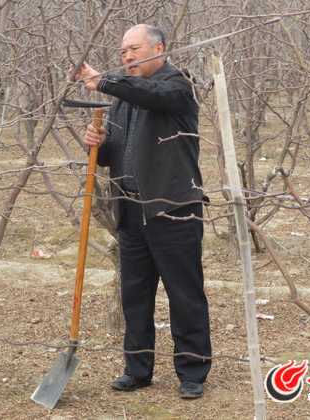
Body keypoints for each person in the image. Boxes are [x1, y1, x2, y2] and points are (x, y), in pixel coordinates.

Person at [74, 24, 212, 399]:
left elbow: (153, 96)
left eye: (134, 49)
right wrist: (97, 144)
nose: (127, 56)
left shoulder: (178, 85)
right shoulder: (123, 98)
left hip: (173, 208)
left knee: (184, 294)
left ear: (159, 48)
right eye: (123, 52)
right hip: (131, 209)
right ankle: (137, 370)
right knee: (135, 295)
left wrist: (105, 82)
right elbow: (112, 155)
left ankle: (192, 371)